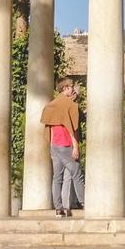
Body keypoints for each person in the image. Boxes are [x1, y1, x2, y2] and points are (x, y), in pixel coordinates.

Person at [40, 78, 84, 219]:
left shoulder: (51, 105)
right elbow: (71, 128)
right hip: (66, 145)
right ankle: (85, 203)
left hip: (54, 146)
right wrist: (75, 146)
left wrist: (52, 146)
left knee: (57, 178)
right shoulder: (69, 105)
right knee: (77, 174)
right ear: (64, 88)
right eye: (70, 87)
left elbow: (49, 128)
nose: (72, 89)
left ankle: (58, 209)